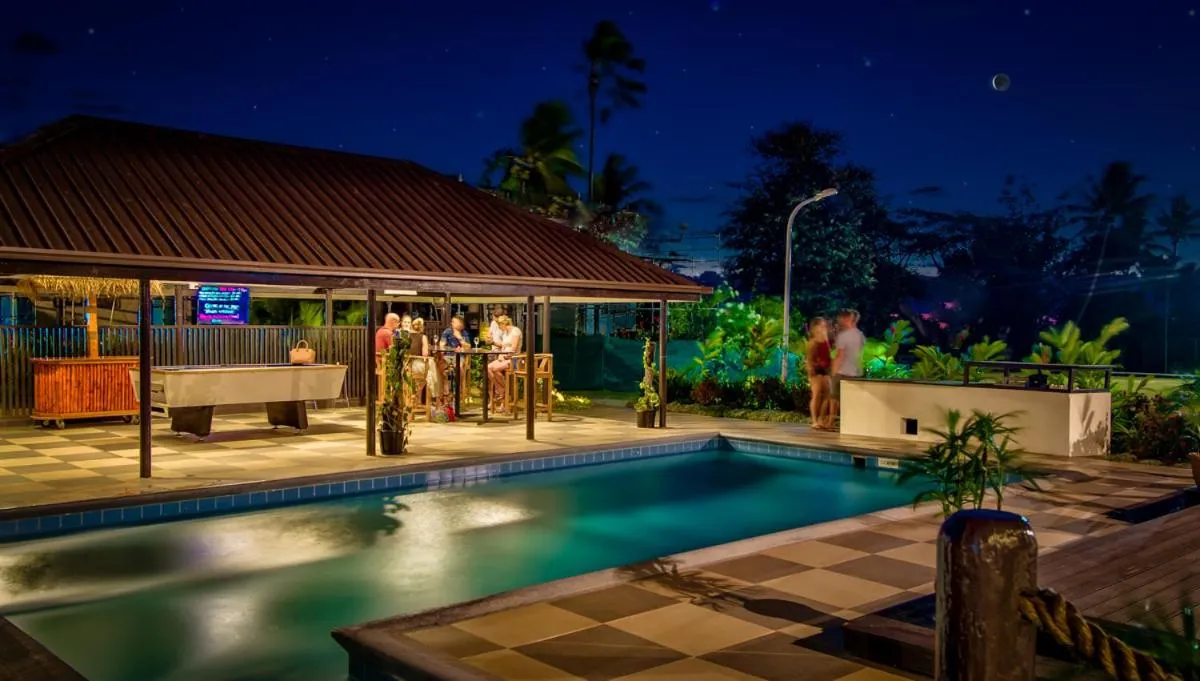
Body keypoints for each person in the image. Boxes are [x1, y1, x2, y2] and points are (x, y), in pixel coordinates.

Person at [829, 309, 866, 431]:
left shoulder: (844, 336)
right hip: (856, 372)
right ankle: (851, 424)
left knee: (834, 398)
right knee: (852, 400)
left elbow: (840, 355)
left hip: (843, 372)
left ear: (847, 319)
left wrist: (833, 372)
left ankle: (831, 422)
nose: (840, 321)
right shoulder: (860, 335)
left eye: (842, 319)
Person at [487, 315, 522, 411]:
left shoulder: (515, 331)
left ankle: (503, 395)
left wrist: (504, 356)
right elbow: (503, 346)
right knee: (488, 368)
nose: (499, 329)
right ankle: (504, 393)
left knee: (493, 369)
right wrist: (493, 343)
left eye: (499, 326)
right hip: (504, 358)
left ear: (504, 324)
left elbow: (514, 348)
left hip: (514, 359)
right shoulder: (505, 333)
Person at [805, 317, 834, 430]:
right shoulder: (813, 342)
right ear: (815, 327)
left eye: (824, 325)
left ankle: (821, 419)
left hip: (825, 371)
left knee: (827, 395)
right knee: (816, 395)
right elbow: (809, 359)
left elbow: (829, 356)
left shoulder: (826, 341)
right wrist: (811, 372)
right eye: (821, 325)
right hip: (816, 372)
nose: (824, 327)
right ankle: (814, 420)